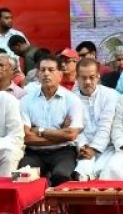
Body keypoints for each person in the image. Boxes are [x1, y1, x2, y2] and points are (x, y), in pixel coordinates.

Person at [19, 55, 84, 186]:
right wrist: (61, 135)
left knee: (61, 177)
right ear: (37, 74)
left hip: (63, 151)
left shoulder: (72, 100)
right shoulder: (26, 100)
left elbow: (72, 134)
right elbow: (26, 137)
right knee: (22, 177)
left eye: (51, 70)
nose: (46, 73)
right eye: (42, 70)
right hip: (34, 153)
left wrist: (40, 131)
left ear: (60, 75)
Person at [73, 58, 119, 181]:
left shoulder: (111, 95)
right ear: (77, 78)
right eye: (83, 78)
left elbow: (106, 125)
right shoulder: (71, 99)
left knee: (103, 173)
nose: (88, 81)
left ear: (98, 77)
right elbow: (75, 129)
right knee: (81, 174)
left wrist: (94, 149)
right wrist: (83, 147)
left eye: (92, 77)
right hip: (83, 149)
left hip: (108, 147)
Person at [0, 80, 23, 176]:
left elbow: (16, 136)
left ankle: (5, 185)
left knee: (9, 154)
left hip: (5, 148)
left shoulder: (8, 100)